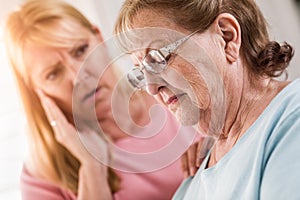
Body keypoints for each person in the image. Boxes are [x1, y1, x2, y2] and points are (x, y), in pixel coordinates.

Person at [4, 0, 201, 199]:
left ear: (99, 38)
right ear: (36, 91)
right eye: (53, 74)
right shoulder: (42, 178)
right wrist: (92, 167)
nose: (78, 76)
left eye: (80, 50)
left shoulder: (177, 96)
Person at [114, 0, 300, 199]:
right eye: (141, 72)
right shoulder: (195, 175)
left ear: (226, 37)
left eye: (159, 58)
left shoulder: (291, 120)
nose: (151, 88)